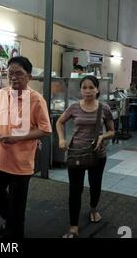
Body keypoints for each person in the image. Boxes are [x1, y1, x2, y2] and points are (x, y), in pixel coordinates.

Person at [0, 56, 52, 238]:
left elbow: (46, 130)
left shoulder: (37, 100)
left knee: (17, 206)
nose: (13, 77)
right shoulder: (0, 95)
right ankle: (12, 221)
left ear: (29, 76)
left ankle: (13, 228)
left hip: (20, 166)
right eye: (10, 74)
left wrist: (18, 137)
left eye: (19, 74)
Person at [56, 75, 115, 238]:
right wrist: (61, 139)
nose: (88, 91)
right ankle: (73, 226)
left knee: (95, 185)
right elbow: (59, 122)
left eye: (91, 87)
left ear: (97, 90)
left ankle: (93, 208)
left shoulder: (104, 108)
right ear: (80, 90)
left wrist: (103, 137)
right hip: (76, 153)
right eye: (84, 87)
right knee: (75, 190)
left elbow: (112, 130)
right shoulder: (74, 107)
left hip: (98, 155)